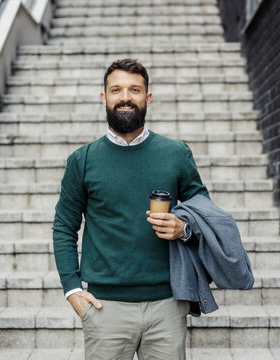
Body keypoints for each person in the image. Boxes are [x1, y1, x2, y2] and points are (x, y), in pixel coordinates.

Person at [52, 58, 209, 360]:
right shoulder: (82, 160)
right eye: (116, 90)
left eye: (134, 90)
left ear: (147, 98)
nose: (125, 97)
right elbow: (64, 226)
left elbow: (205, 213)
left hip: (168, 304)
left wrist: (184, 228)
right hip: (104, 307)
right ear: (104, 98)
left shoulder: (176, 154)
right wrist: (72, 289)